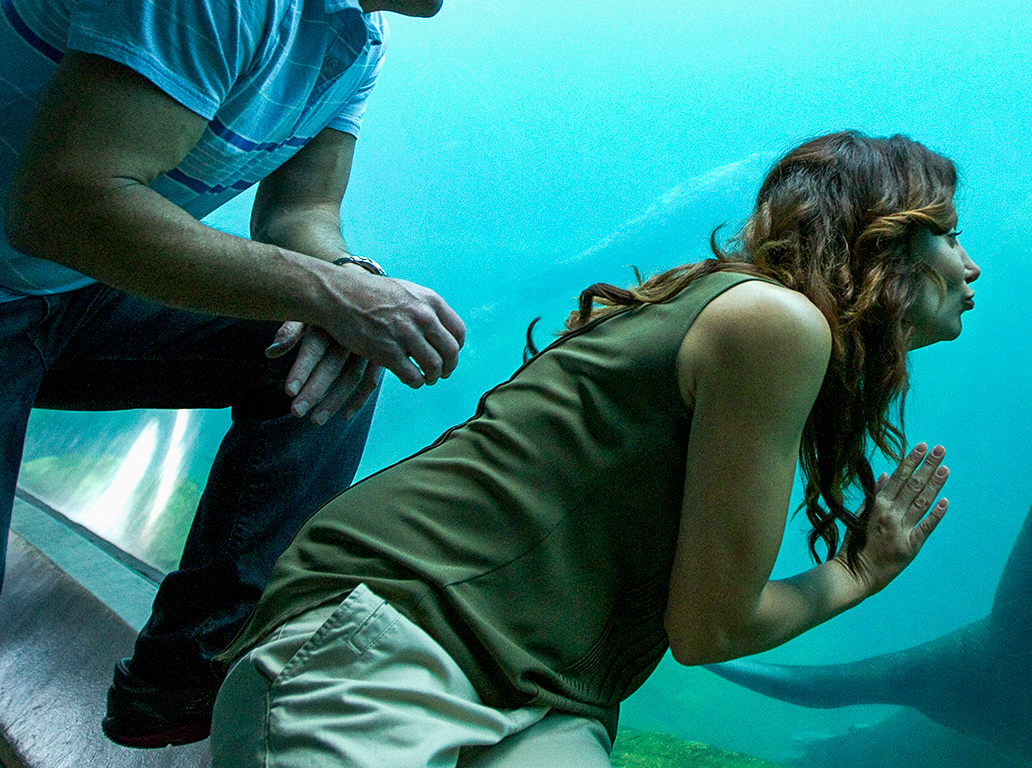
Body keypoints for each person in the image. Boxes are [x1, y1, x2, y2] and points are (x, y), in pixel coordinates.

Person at [205, 130, 980, 767]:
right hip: (402, 633)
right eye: (946, 236)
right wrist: (858, 571)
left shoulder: (729, 310)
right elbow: (711, 629)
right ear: (881, 239)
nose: (969, 264)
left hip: (546, 699)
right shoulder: (776, 322)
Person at [0, 0, 495, 748]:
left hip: (54, 292)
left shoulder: (356, 41)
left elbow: (300, 220)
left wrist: (350, 286)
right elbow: (60, 203)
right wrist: (331, 291)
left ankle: (183, 678)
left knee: (322, 345)